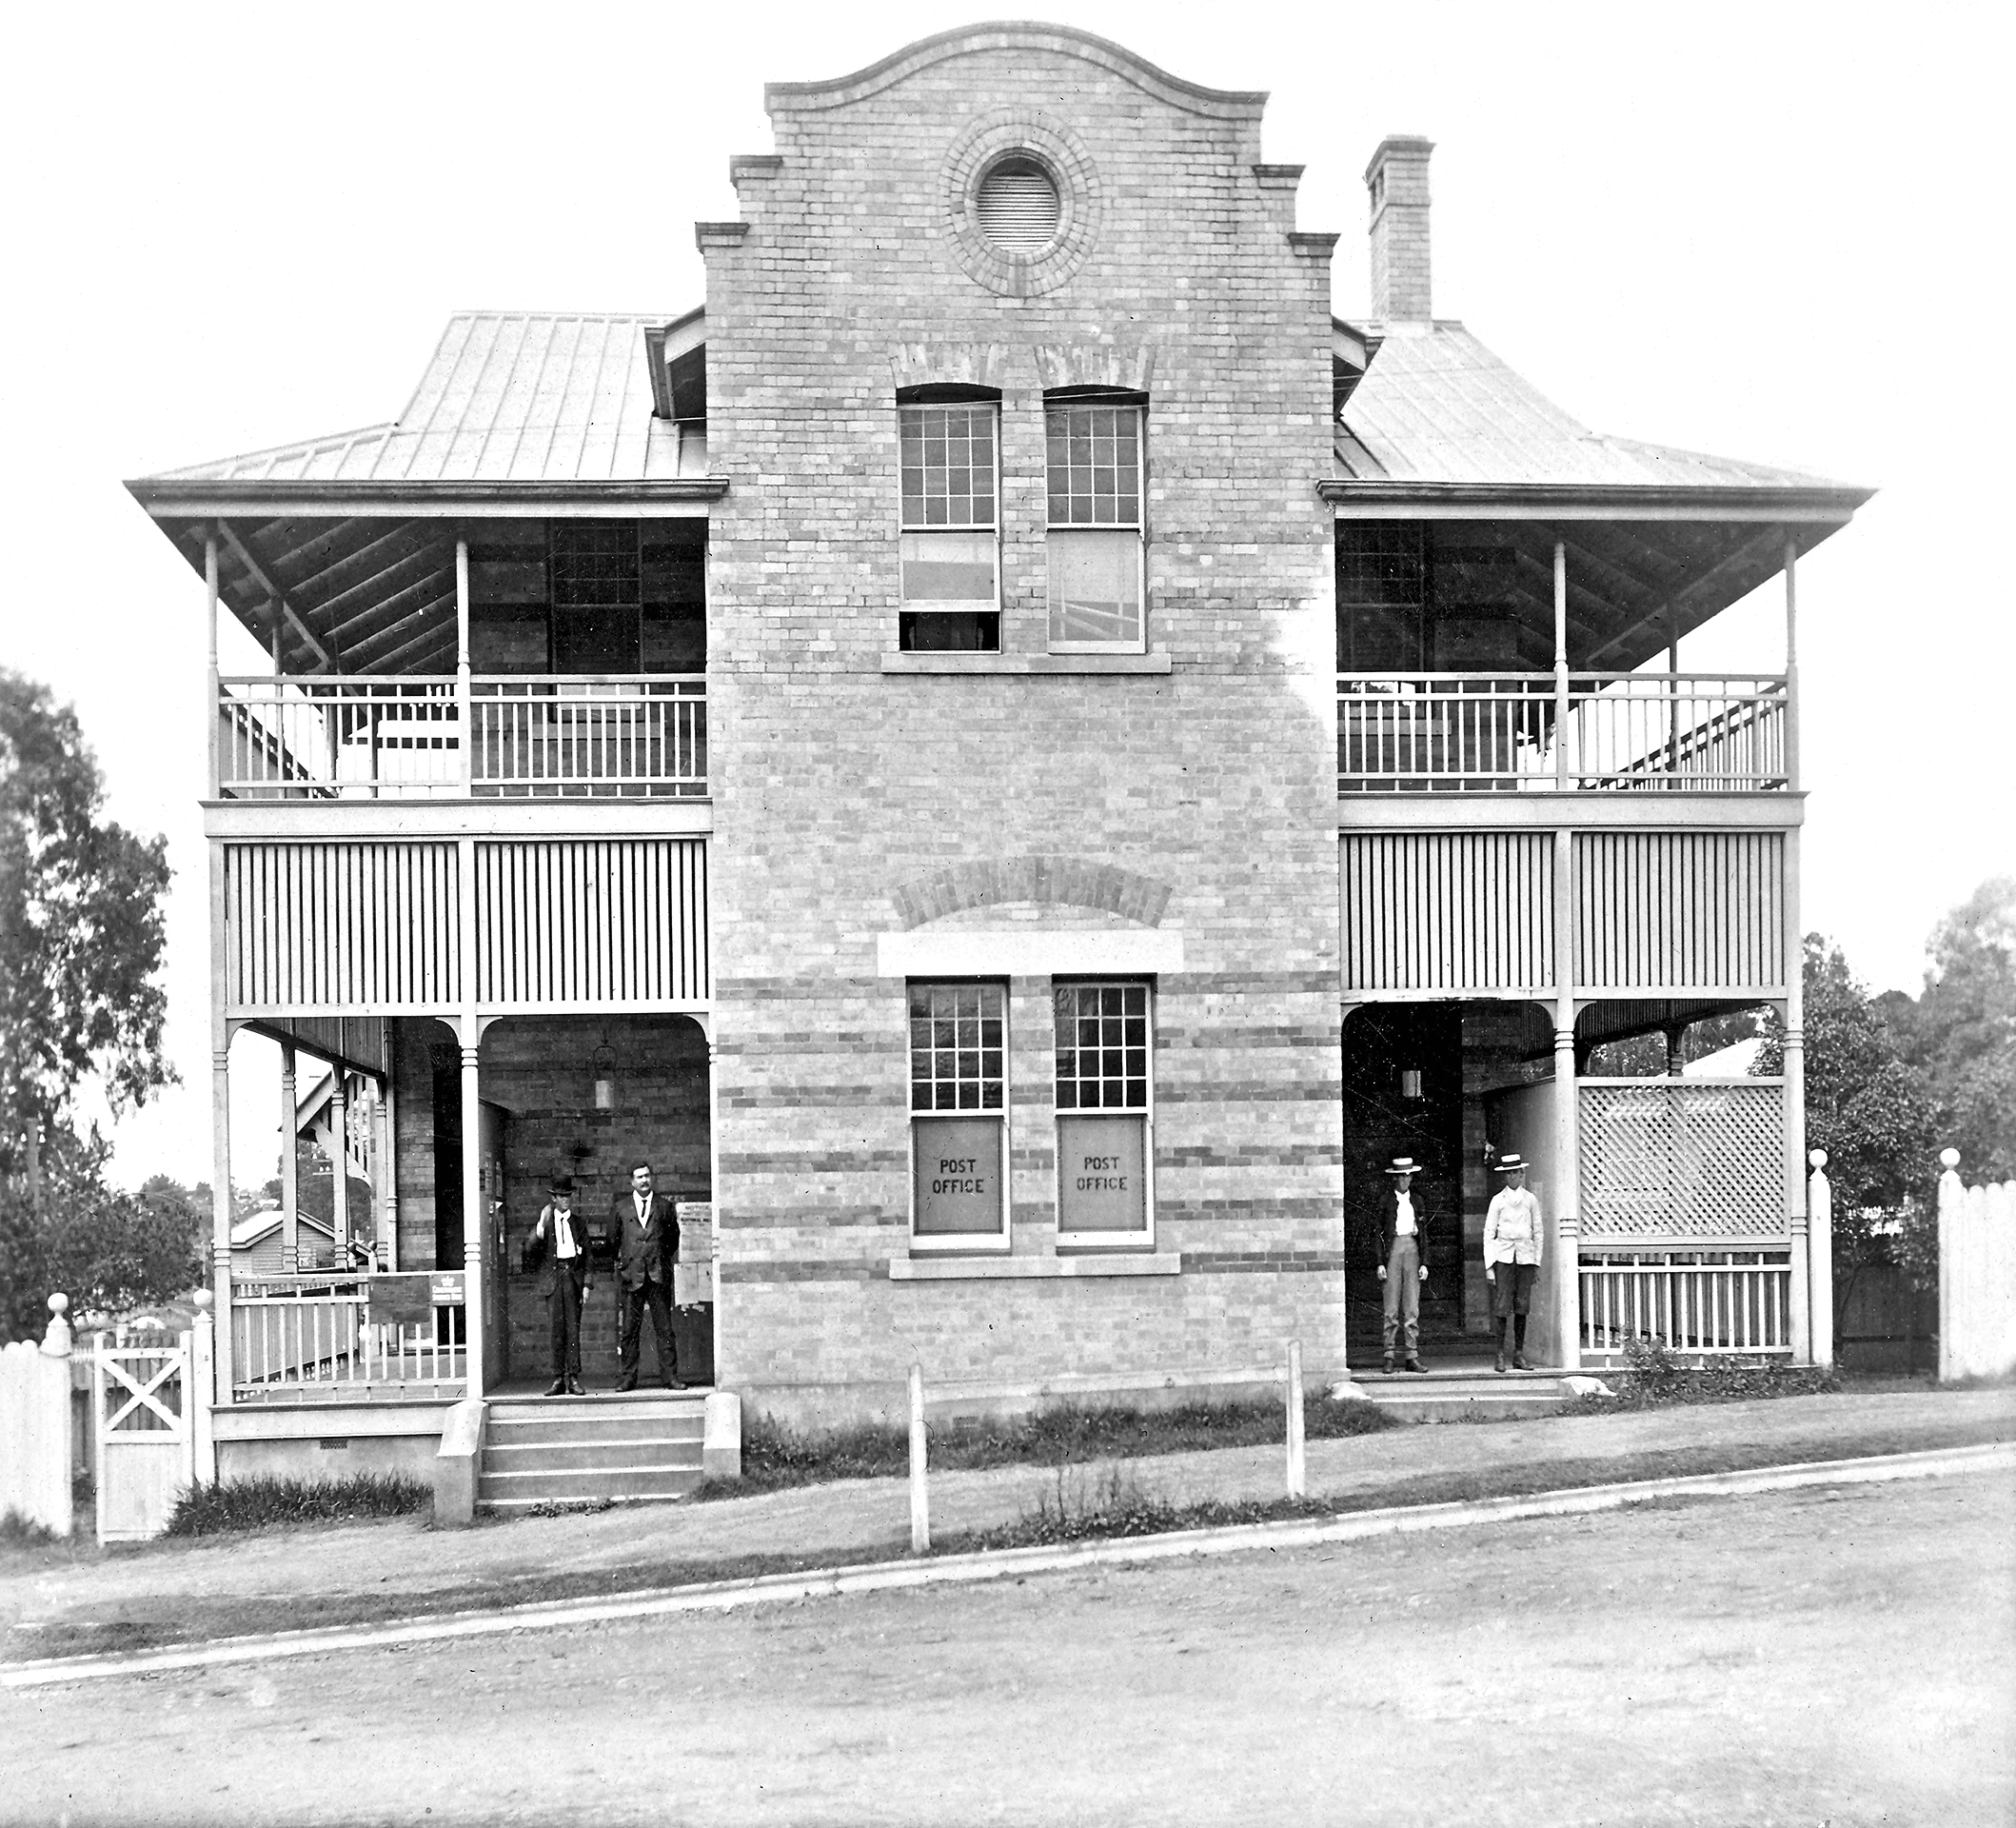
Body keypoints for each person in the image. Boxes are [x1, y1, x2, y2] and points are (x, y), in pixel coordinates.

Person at [610, 1160, 685, 1391]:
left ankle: (670, 1377)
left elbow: (673, 1239)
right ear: (631, 1182)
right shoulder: (620, 1208)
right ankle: (627, 1378)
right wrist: (627, 1263)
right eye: (639, 1177)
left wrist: (657, 1258)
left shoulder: (664, 1206)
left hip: (657, 1275)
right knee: (629, 1331)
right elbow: (612, 1240)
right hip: (632, 1276)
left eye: (647, 1176)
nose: (644, 1180)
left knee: (664, 1329)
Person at [523, 1174, 592, 1395]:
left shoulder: (578, 1223)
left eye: (568, 1196)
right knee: (556, 1331)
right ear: (553, 1198)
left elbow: (589, 1257)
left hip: (572, 1277)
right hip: (552, 1281)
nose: (565, 1200)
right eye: (561, 1196)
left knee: (573, 1329)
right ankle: (557, 1379)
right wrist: (540, 1227)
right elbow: (528, 1251)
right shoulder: (546, 1223)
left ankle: (573, 1377)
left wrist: (587, 1284)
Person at [1483, 1152, 1544, 1372]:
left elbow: (1538, 1231)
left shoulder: (1530, 1200)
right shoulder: (1497, 1201)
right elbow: (1489, 1233)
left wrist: (1536, 1262)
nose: (1513, 1177)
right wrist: (1490, 1266)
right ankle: (1500, 1354)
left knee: (1522, 1305)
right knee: (1502, 1306)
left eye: (1516, 1173)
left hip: (1525, 1258)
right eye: (1508, 1173)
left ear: (1522, 1174)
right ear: (1504, 1177)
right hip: (1504, 1257)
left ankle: (1518, 1354)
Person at [1375, 1155, 1432, 1374]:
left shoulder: (1416, 1201)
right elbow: (1378, 1233)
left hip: (1412, 1250)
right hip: (1393, 1250)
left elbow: (1424, 1234)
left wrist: (1424, 1262)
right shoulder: (1386, 1201)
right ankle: (1389, 1355)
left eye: (1408, 1176)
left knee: (1411, 1306)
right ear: (1395, 1178)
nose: (1404, 1180)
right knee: (1391, 1306)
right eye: (1400, 1176)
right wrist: (1380, 1261)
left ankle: (1411, 1355)